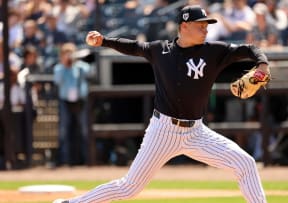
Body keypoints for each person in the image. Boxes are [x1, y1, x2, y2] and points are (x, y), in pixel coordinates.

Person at [53, 4, 270, 203]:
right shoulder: (161, 50)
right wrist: (103, 41)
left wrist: (262, 65)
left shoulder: (214, 51)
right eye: (201, 25)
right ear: (184, 26)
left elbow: (250, 49)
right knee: (129, 188)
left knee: (246, 164)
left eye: (207, 25)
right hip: (163, 131)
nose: (206, 30)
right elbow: (134, 47)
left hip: (197, 133)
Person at [53, 42, 91, 166]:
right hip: (65, 101)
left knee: (84, 129)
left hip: (81, 101)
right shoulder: (59, 68)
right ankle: (64, 160)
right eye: (66, 53)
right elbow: (57, 81)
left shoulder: (81, 66)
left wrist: (75, 62)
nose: (68, 56)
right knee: (64, 130)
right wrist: (65, 65)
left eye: (70, 53)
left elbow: (90, 72)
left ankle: (87, 159)